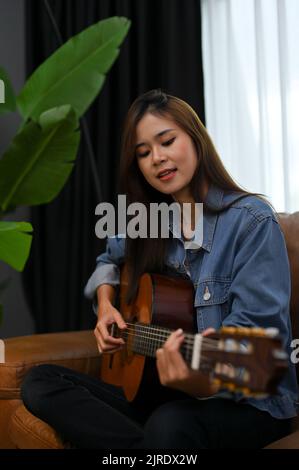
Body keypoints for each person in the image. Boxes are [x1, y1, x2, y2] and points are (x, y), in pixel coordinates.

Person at [21, 89, 298, 449]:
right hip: (168, 396)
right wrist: (106, 305)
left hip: (249, 405)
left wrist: (196, 381)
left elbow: (257, 360)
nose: (158, 158)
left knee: (169, 424)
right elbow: (108, 259)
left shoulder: (251, 222)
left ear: (196, 139)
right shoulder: (150, 223)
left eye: (167, 141)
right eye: (144, 152)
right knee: (40, 382)